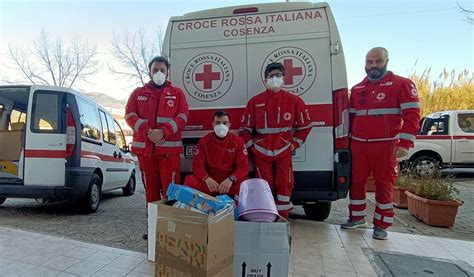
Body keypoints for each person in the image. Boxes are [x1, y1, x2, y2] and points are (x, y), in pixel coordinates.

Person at [341, 47, 421, 240]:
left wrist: (405, 143)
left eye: (378, 61)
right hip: (359, 144)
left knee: (384, 183)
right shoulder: (358, 88)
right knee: (357, 182)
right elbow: (350, 118)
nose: (373, 66)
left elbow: (412, 116)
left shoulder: (401, 84)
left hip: (385, 145)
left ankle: (382, 224)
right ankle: (357, 217)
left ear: (386, 61)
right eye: (369, 62)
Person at [239, 62, 313, 218]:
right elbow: (244, 128)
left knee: (284, 185)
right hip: (260, 152)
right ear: (265, 79)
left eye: (278, 75)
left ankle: (283, 217)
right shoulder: (255, 102)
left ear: (284, 78)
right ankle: (267, 216)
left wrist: (293, 145)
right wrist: (251, 146)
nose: (274, 79)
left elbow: (305, 126)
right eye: (271, 76)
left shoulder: (294, 101)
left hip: (284, 151)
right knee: (264, 186)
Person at [125, 56, 189, 204]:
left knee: (171, 191)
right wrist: (149, 132)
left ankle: (170, 223)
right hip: (146, 152)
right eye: (155, 70)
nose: (158, 73)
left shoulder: (177, 93)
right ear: (149, 72)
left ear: (167, 73)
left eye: (162, 70)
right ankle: (153, 223)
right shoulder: (137, 93)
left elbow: (183, 116)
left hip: (169, 153)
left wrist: (163, 132)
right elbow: (130, 116)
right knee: (151, 191)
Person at [184, 110, 249, 199]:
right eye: (218, 123)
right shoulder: (204, 142)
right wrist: (207, 179)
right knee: (190, 182)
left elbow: (244, 167)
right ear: (213, 125)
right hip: (210, 183)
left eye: (225, 123)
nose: (221, 126)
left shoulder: (238, 142)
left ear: (229, 125)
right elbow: (197, 166)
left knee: (246, 185)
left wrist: (231, 179)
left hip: (229, 183)